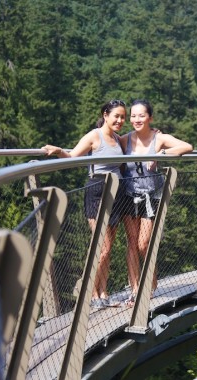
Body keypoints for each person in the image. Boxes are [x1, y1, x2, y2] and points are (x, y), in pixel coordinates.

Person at [42, 99, 127, 309]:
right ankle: (89, 292)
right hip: (98, 191)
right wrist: (59, 150)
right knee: (103, 247)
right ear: (105, 115)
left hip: (117, 193)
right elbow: (71, 156)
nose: (120, 120)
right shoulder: (94, 135)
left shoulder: (118, 139)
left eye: (122, 117)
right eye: (116, 116)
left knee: (109, 247)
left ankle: (103, 291)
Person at [120, 99, 193, 306]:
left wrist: (161, 153)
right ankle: (135, 290)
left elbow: (187, 147)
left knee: (144, 244)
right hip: (128, 195)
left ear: (150, 117)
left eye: (141, 115)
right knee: (132, 244)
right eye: (133, 116)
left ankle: (150, 280)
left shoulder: (158, 138)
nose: (136, 119)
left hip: (150, 197)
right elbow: (106, 143)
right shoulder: (125, 140)